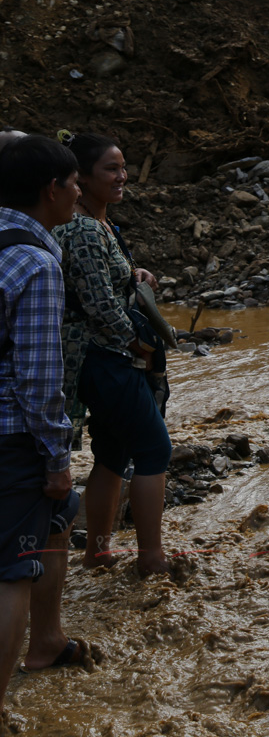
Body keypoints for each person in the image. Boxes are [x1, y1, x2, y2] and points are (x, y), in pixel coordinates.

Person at [55, 132, 171, 577]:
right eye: (111, 168)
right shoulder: (83, 229)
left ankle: (98, 554)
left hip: (102, 357)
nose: (123, 176)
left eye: (124, 167)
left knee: (111, 455)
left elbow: (103, 283)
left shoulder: (97, 223)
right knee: (154, 449)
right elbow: (99, 305)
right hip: (103, 359)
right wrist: (137, 343)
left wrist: (134, 275)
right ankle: (151, 559)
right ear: (80, 178)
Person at [0, 134, 87, 727]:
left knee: (57, 522)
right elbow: (37, 377)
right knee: (11, 571)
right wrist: (56, 454)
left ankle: (48, 641)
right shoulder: (36, 263)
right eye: (74, 182)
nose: (79, 192)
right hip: (11, 441)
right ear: (50, 191)